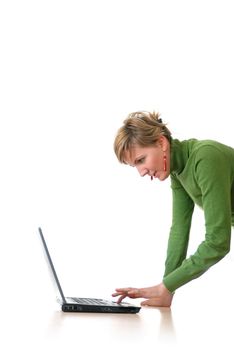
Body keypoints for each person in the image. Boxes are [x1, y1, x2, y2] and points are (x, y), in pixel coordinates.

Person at [112, 111, 234, 307]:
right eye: (135, 166)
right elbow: (179, 231)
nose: (141, 172)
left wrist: (166, 286)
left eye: (141, 160)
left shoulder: (206, 157)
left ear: (161, 143)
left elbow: (218, 242)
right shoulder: (179, 171)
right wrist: (166, 290)